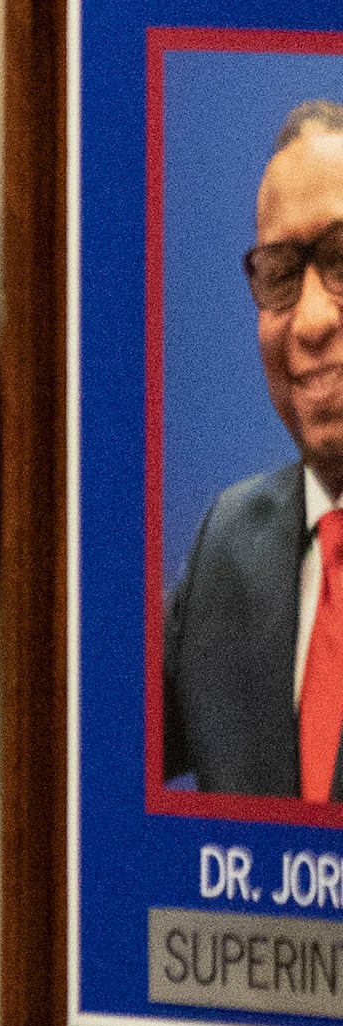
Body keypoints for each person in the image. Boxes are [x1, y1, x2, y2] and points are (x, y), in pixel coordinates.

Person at [165, 99, 343, 803]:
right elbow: (85, 752)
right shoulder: (227, 544)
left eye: (340, 260)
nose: (310, 319)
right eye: (279, 273)